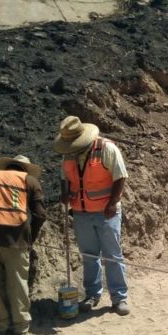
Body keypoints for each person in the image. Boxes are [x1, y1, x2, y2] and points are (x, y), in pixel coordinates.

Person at [53, 116, 130, 316]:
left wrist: (113, 203)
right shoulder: (68, 154)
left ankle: (119, 298)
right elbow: (64, 177)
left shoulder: (106, 149)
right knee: (89, 255)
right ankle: (92, 295)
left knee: (112, 255)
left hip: (106, 211)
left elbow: (120, 176)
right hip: (81, 212)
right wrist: (65, 193)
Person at [0, 155, 47, 335]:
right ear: (25, 169)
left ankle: (0, 325)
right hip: (14, 237)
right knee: (17, 281)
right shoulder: (29, 180)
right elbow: (40, 215)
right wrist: (31, 239)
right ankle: (20, 327)